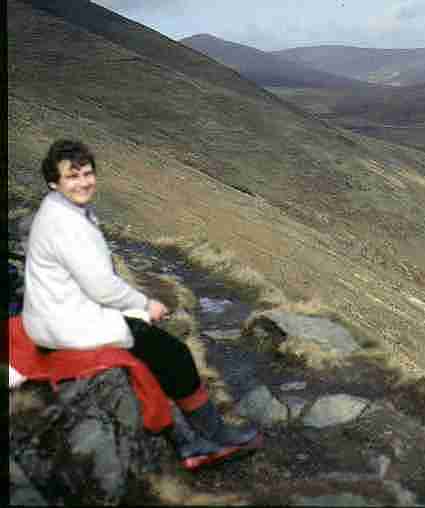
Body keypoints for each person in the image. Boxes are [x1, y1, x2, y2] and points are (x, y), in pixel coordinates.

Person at [21, 139, 260, 469]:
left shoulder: (60, 209)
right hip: (66, 322)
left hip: (60, 311)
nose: (83, 182)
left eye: (87, 173)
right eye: (72, 176)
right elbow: (101, 287)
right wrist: (146, 303)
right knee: (172, 353)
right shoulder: (67, 225)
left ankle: (192, 440)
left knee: (150, 346)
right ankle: (209, 438)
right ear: (54, 182)